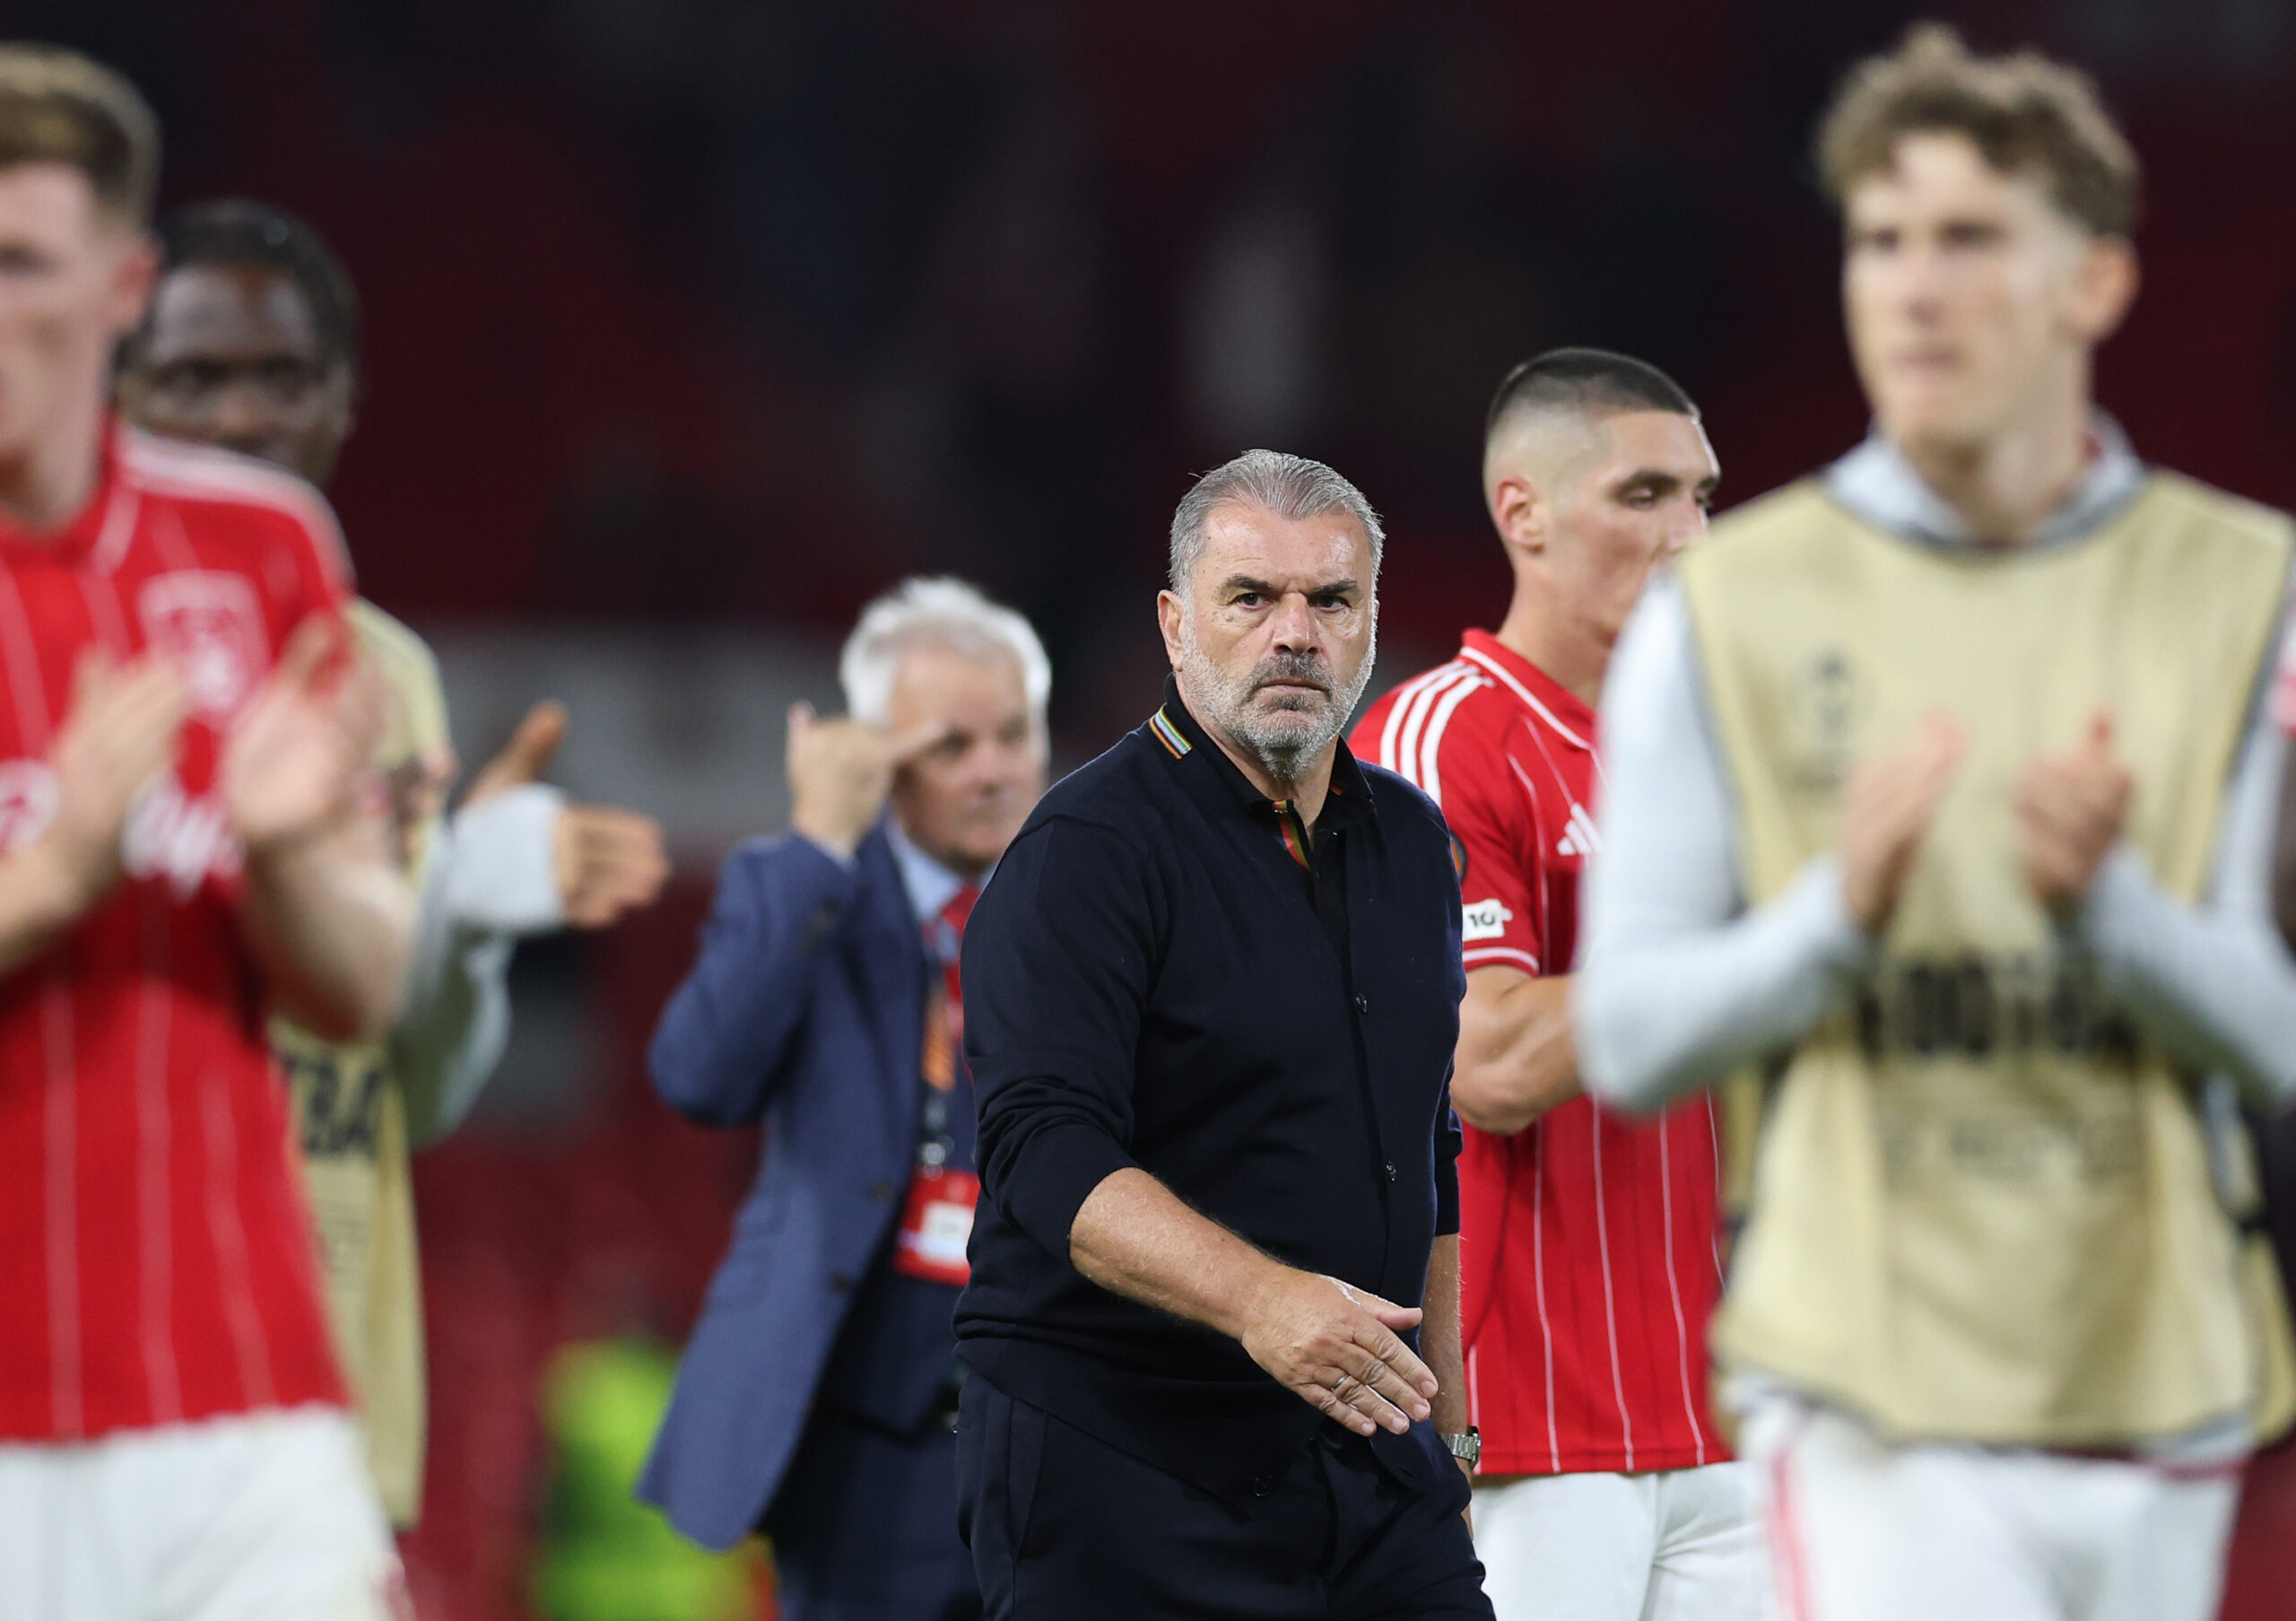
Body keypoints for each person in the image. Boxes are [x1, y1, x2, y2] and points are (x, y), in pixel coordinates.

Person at [1574, 26, 2296, 1621]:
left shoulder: (2247, 592)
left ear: (2094, 284)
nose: (1913, 285)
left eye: (1969, 239)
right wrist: (1838, 915)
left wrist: (2113, 914)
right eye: (1882, 241)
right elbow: (1626, 1034)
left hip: (2164, 1385)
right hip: (1874, 1399)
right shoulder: (1733, 611)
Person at [114, 196, 672, 1526]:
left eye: (284, 380)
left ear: (345, 402)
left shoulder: (391, 681)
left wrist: (468, 925)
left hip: (320, 1408)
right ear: (115, 390)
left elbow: (404, 1092)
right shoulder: (46, 639)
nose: (246, 420)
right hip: (89, 1391)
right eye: (195, 377)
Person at [0, 46, 415, 1617]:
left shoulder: (256, 547)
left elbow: (362, 985)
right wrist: (49, 878)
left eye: (20, 262)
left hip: (243, 1405)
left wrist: (291, 850)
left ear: (123, 284)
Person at [954, 449, 1490, 1617]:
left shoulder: (1411, 843)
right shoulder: (1082, 855)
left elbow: (1428, 1138)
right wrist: (1267, 1302)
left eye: (1330, 600)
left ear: (1370, 622)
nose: (1294, 632)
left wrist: (1450, 1426)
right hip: (1124, 1463)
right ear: (1174, 622)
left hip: (1369, 1461)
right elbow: (1045, 1155)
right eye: (1252, 597)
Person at [1352, 348, 1755, 1620]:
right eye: (1643, 495)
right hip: (1524, 1430)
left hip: (1737, 1411)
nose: (1689, 533)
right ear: (1522, 512)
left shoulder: (1733, 744)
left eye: (1701, 496)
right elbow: (1491, 1062)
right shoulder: (1444, 735)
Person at [642, 577, 1049, 1618]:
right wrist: (820, 840)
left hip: (1062, 1428)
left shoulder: (1097, 904)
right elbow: (699, 1075)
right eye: (953, 746)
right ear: (875, 754)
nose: (997, 769)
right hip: (865, 1438)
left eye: (1015, 733)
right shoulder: (808, 894)